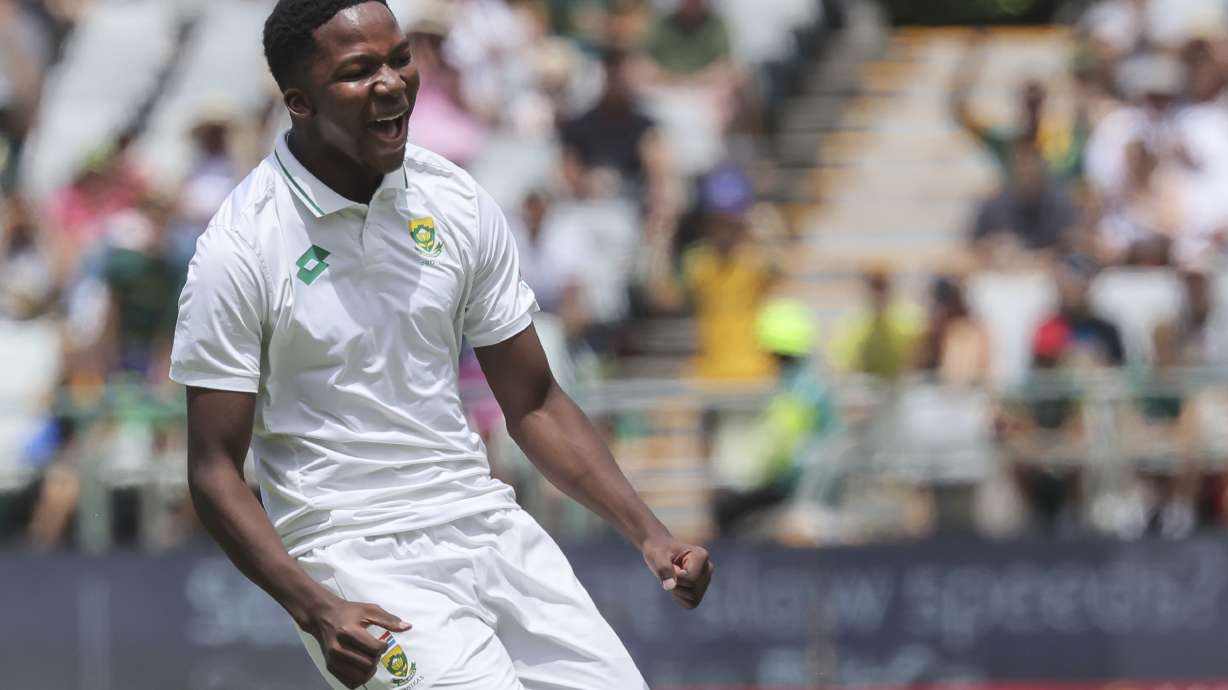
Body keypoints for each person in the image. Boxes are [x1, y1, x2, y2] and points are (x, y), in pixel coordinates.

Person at [170, 3, 712, 690]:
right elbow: (214, 468)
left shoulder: (454, 199)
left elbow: (534, 400)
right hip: (354, 556)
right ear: (299, 101)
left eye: (399, 58)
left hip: (485, 522)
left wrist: (649, 533)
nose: (392, 83)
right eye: (358, 71)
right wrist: (312, 605)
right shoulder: (241, 246)